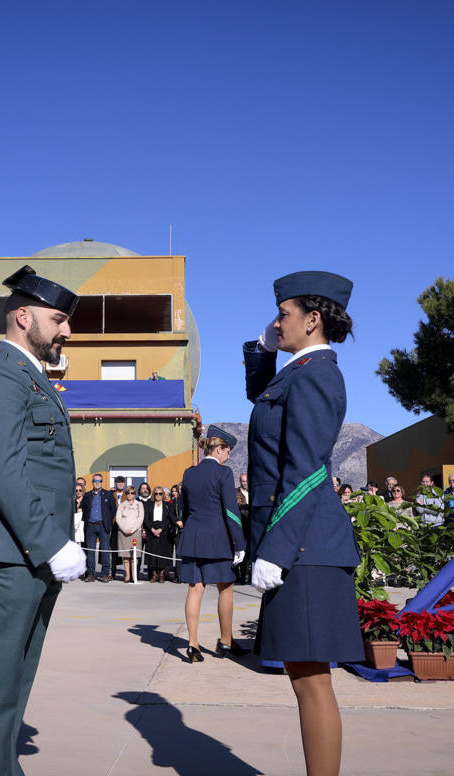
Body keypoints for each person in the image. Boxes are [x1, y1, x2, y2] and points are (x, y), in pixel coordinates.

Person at [0, 265, 86, 776]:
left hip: (28, 553)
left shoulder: (30, 375)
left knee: (16, 677)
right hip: (9, 552)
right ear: (23, 316)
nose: (66, 331)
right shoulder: (0, 376)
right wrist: (50, 543)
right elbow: (6, 471)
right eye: (58, 319)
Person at [245, 270, 363, 776]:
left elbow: (308, 468)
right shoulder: (296, 370)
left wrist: (276, 547)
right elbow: (260, 398)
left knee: (312, 681)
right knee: (301, 675)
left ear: (312, 320)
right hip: (300, 546)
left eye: (284, 315)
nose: (277, 323)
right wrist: (261, 346)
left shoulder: (316, 374)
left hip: (306, 548)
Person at [176, 425, 246, 662]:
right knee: (225, 587)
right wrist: (239, 543)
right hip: (217, 538)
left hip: (193, 536)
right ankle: (226, 640)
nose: (228, 456)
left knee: (195, 589)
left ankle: (192, 644)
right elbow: (231, 510)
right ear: (219, 449)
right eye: (227, 451)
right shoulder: (223, 473)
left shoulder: (189, 473)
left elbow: (184, 510)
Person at [80, 473, 116, 582]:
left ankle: (105, 574)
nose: (97, 483)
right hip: (90, 526)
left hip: (103, 526)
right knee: (91, 551)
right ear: (92, 482)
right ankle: (91, 574)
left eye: (99, 481)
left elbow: (113, 510)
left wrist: (107, 521)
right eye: (95, 481)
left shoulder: (108, 494)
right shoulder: (87, 495)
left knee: (104, 550)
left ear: (102, 482)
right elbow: (83, 509)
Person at [143, 484, 178, 583]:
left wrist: (160, 529)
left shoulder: (168, 505)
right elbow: (146, 519)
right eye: (156, 493)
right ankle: (154, 574)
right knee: (153, 553)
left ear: (163, 494)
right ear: (154, 494)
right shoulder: (149, 504)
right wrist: (152, 529)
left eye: (160, 493)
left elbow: (169, 519)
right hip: (152, 530)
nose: (158, 495)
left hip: (164, 531)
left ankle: (162, 574)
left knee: (163, 552)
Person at [115, 486, 145, 582]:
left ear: (135, 494)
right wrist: (124, 529)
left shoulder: (139, 504)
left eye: (132, 493)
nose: (130, 495)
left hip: (135, 533)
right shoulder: (121, 505)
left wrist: (133, 529)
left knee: (134, 556)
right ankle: (127, 576)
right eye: (128, 493)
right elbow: (118, 518)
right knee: (126, 556)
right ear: (125, 494)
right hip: (123, 533)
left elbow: (141, 518)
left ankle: (134, 575)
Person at [234, 472, 252, 584]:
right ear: (240, 481)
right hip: (240, 526)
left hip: (251, 526)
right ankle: (238, 575)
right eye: (243, 481)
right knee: (240, 551)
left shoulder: (253, 493)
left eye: (246, 481)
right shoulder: (235, 493)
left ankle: (246, 575)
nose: (244, 483)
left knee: (249, 552)